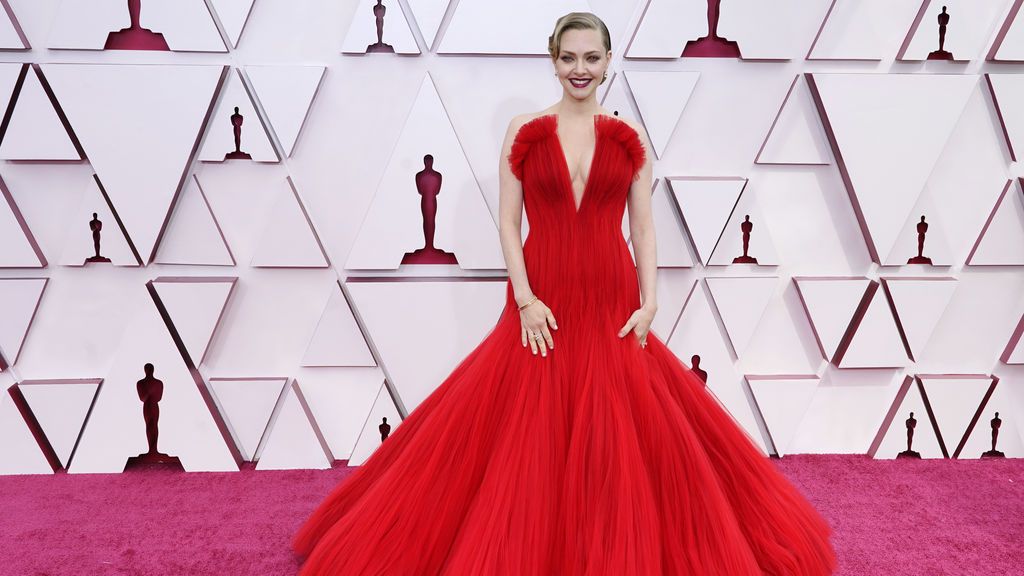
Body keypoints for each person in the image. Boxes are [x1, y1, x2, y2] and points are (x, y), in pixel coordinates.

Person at [292, 12, 837, 575]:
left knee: (618, 429)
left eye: (592, 58)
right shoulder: (525, 131)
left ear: (608, 61)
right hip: (542, 297)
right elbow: (507, 223)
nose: (581, 69)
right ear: (553, 59)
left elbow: (643, 228)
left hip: (610, 295)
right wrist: (525, 299)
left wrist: (650, 301)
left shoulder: (628, 137)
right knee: (529, 427)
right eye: (569, 57)